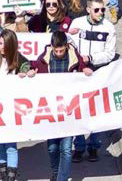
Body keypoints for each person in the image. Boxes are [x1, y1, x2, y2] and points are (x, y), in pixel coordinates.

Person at [34, 30, 93, 181]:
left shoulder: (75, 58)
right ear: (52, 47)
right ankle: (55, 173)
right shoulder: (44, 59)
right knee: (52, 148)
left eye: (61, 50)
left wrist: (86, 71)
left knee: (66, 149)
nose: (59, 53)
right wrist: (26, 72)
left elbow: (84, 73)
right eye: (56, 50)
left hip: (69, 110)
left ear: (67, 46)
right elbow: (31, 66)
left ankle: (62, 178)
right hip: (51, 110)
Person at [0, 29, 38, 181]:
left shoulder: (21, 60)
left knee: (11, 143)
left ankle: (11, 177)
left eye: (5, 44)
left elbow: (28, 72)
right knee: (0, 143)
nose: (1, 47)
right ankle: (3, 174)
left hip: (13, 108)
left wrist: (28, 74)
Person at [71, 0, 119, 163]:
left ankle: (93, 146)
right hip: (78, 72)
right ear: (88, 9)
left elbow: (110, 53)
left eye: (103, 9)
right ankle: (78, 146)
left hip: (98, 72)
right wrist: (80, 62)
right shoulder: (76, 23)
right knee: (78, 110)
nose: (100, 13)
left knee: (96, 110)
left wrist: (91, 58)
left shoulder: (109, 27)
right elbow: (70, 45)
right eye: (97, 9)